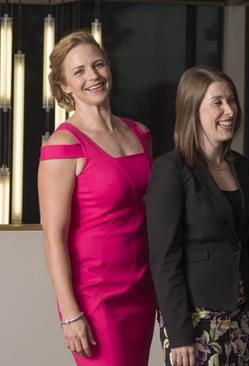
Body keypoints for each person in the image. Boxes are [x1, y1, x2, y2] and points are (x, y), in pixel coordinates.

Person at [38, 31, 156, 365]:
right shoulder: (63, 145)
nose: (93, 76)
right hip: (96, 297)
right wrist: (70, 313)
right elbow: (53, 239)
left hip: (142, 289)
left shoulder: (140, 134)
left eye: (98, 64)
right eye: (79, 71)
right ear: (64, 85)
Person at [145, 66, 249, 366]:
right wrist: (178, 334)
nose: (229, 110)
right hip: (196, 320)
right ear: (192, 109)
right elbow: (164, 259)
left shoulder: (245, 168)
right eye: (217, 102)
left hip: (242, 317)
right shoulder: (171, 170)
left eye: (232, 100)